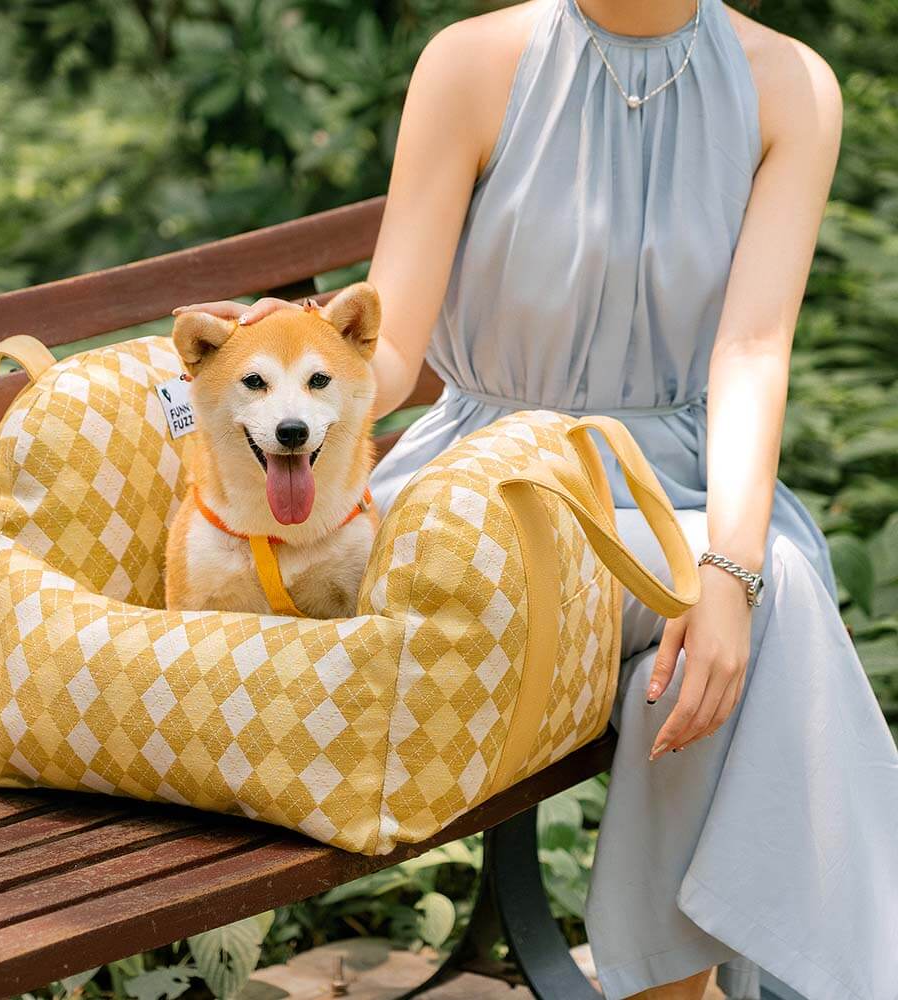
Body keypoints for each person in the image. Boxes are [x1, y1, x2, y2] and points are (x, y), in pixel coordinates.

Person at [173, 1, 898, 997]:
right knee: (770, 590)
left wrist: (723, 570)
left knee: (738, 616)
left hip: (683, 489)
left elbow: (750, 350)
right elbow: (385, 350)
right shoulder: (471, 63)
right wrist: (297, 366)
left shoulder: (792, 88)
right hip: (490, 492)